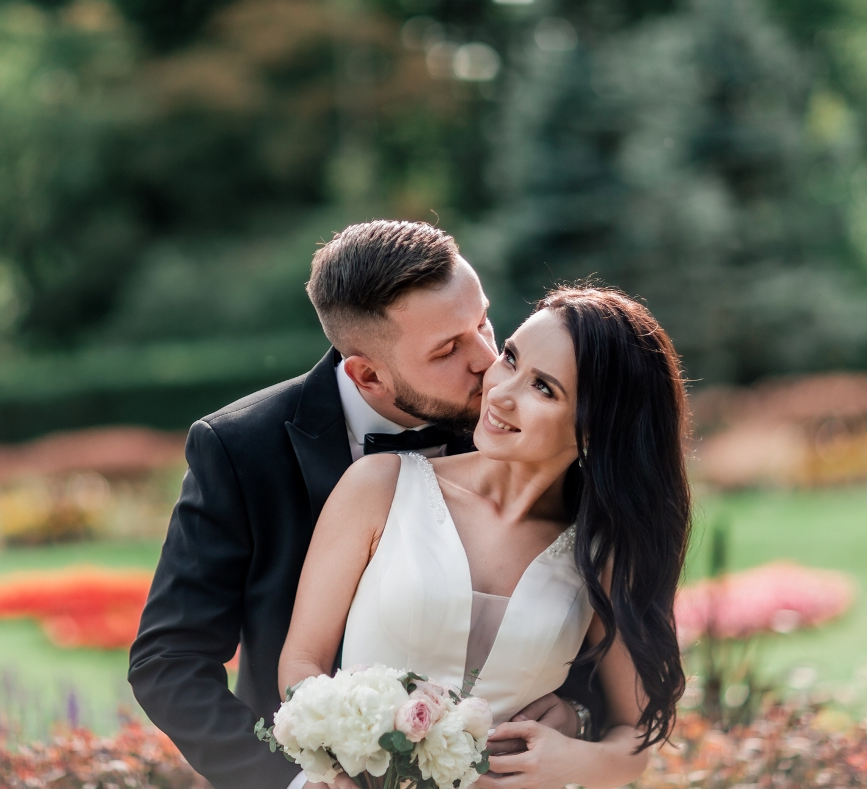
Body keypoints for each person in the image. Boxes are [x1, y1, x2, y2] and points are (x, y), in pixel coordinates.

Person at [128, 222, 606, 789]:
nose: (487, 362)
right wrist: (292, 782)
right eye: (447, 349)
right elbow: (169, 661)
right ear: (368, 374)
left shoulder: (521, 431)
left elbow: (581, 609)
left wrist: (577, 715)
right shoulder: (241, 449)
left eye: (482, 322)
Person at [279, 284, 692, 789]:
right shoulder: (380, 486)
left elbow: (638, 732)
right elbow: (303, 661)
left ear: (593, 431)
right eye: (511, 358)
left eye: (544, 388)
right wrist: (333, 763)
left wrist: (573, 758)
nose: (500, 392)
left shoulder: (602, 551)